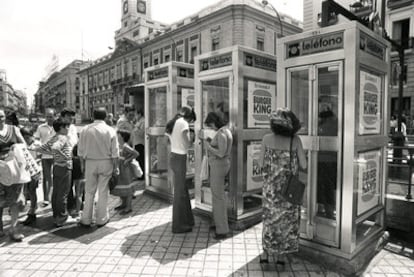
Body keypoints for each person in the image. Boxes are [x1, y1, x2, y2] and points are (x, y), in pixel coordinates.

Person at [258, 108, 307, 265]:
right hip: (289, 191)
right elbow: (304, 165)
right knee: (286, 222)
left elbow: (260, 164)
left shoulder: (266, 139)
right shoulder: (296, 140)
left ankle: (265, 255)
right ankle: (280, 257)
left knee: (269, 220)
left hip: (270, 190)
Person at [78, 108, 119, 227]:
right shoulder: (110, 130)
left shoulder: (85, 129)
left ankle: (86, 219)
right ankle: (101, 218)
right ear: (105, 116)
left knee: (89, 191)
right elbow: (115, 152)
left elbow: (80, 151)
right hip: (106, 162)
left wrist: (82, 165)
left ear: (93, 116)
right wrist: (116, 167)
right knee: (103, 191)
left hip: (90, 162)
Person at [32, 117, 74, 227]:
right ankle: (62, 216)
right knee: (63, 193)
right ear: (61, 128)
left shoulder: (54, 137)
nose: (68, 128)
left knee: (56, 192)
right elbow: (56, 148)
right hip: (65, 167)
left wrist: (54, 155)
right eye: (67, 126)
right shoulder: (63, 138)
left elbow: (42, 148)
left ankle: (56, 216)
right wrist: (66, 158)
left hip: (56, 167)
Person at [202, 112, 233, 240]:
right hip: (222, 165)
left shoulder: (220, 133)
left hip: (218, 166)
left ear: (213, 122)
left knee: (218, 197)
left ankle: (222, 230)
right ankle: (217, 223)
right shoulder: (227, 131)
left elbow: (221, 153)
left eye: (210, 125)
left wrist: (208, 147)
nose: (211, 128)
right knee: (217, 196)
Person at [165, 106, 196, 233]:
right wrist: (193, 138)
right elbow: (187, 143)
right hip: (180, 158)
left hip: (174, 156)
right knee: (179, 193)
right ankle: (179, 225)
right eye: (191, 121)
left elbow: (166, 141)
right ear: (189, 117)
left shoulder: (173, 122)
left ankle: (188, 220)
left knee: (182, 190)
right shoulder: (183, 123)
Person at [0, 109, 27, 241]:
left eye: (1, 116)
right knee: (0, 199)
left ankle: (13, 229)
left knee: (15, 199)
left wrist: (14, 147)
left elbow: (24, 145)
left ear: (5, 117)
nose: (0, 119)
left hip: (13, 169)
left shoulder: (13, 129)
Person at [110, 130, 142, 215]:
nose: (117, 136)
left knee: (127, 188)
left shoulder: (125, 146)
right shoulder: (118, 145)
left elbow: (136, 153)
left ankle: (129, 207)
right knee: (121, 187)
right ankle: (124, 204)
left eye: (119, 135)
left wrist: (127, 160)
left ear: (122, 137)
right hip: (120, 169)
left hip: (125, 169)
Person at [34, 108, 55, 207]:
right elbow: (36, 140)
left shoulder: (58, 127)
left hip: (57, 156)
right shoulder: (41, 127)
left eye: (51, 116)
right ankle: (46, 199)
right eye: (47, 116)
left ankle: (54, 197)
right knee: (46, 178)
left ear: (54, 116)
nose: (49, 118)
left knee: (56, 177)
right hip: (45, 156)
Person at [20, 127, 41, 226]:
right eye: (24, 138)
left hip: (34, 172)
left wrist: (32, 162)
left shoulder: (37, 144)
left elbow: (40, 157)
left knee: (32, 191)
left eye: (28, 137)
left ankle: (33, 211)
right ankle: (30, 210)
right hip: (25, 171)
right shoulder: (21, 145)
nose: (26, 140)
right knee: (27, 191)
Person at [71, 144, 85, 218]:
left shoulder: (73, 160)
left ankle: (78, 211)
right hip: (85, 178)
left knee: (78, 195)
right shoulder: (83, 159)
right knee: (83, 194)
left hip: (78, 180)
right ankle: (84, 209)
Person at [133, 109, 145, 180]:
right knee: (139, 159)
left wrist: (136, 129)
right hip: (137, 142)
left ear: (139, 114)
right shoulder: (139, 121)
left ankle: (141, 175)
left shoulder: (143, 121)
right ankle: (140, 175)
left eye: (136, 114)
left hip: (140, 143)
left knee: (140, 160)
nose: (135, 116)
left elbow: (142, 133)